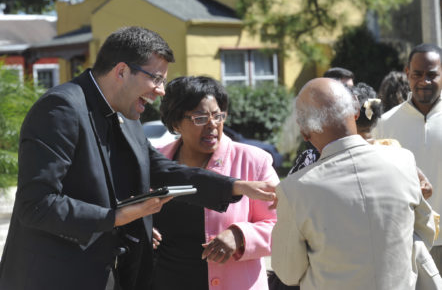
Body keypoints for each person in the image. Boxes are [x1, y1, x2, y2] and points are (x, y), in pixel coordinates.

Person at [0, 27, 276, 290]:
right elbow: (36, 205)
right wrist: (115, 217)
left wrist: (235, 187)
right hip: (54, 278)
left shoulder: (126, 113)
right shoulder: (61, 108)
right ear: (122, 71)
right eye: (155, 78)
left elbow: (161, 170)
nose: (161, 90)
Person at [271, 77, 436, 289]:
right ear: (356, 111)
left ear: (304, 132)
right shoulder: (403, 161)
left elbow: (288, 272)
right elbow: (425, 231)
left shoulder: (294, 190)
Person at [150, 76, 279, 290]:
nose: (212, 125)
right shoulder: (157, 161)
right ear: (175, 123)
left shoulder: (253, 161)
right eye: (200, 118)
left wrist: (240, 235)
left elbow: (283, 225)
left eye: (218, 116)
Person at [373, 43, 442, 273]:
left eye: (432, 75)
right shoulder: (384, 125)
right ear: (407, 73)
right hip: (406, 243)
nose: (424, 81)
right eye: (417, 74)